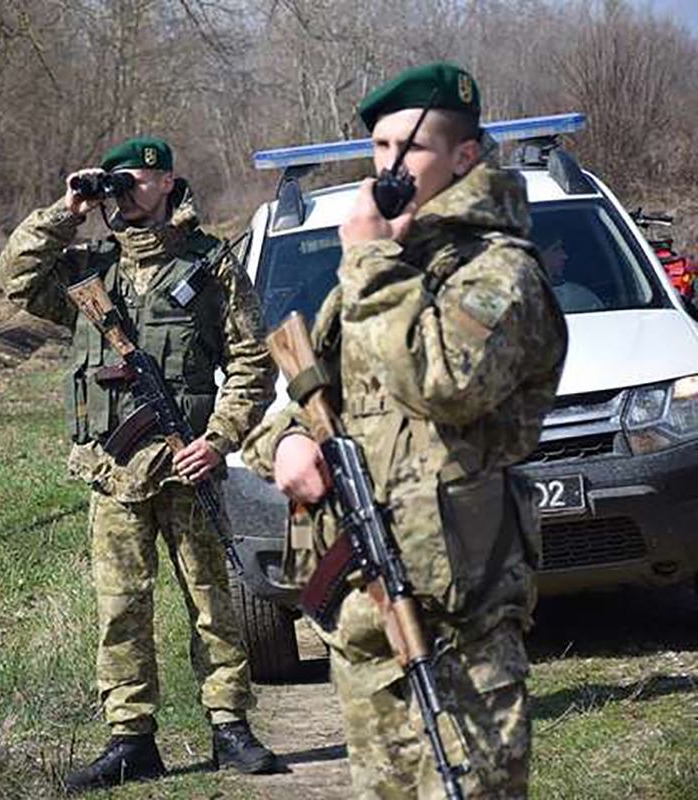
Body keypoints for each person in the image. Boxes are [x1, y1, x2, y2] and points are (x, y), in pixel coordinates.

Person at [242, 63, 568, 798]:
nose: (389, 164)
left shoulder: (497, 271)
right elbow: (301, 400)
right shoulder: (375, 273)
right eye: (380, 147)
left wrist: (367, 261)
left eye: (411, 148)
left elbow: (446, 385)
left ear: (466, 158)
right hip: (364, 617)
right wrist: (287, 446)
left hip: (461, 620)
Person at [0, 136, 280, 793]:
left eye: (138, 179)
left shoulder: (209, 264)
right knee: (121, 609)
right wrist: (67, 210)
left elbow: (250, 362)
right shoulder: (88, 268)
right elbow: (13, 278)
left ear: (168, 182)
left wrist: (220, 437)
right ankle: (131, 740)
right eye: (116, 181)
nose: (125, 190)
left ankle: (230, 726)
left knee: (212, 601)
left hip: (188, 465)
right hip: (114, 472)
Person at [543, 238, 604, 311]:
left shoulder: (579, 297)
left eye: (562, 249)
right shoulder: (528, 296)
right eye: (555, 250)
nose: (564, 256)